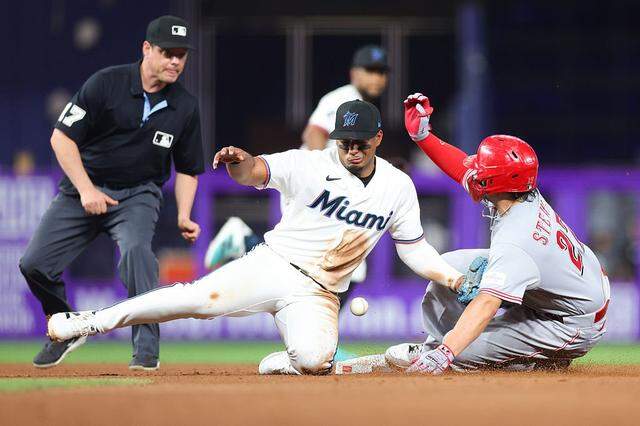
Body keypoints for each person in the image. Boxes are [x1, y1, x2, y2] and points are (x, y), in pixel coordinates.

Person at [46, 100, 479, 376]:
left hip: (320, 293)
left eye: (360, 143)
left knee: (313, 361)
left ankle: (283, 361)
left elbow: (413, 248)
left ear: (378, 140)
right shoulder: (310, 163)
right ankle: (90, 322)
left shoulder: (397, 186)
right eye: (344, 140)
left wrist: (452, 278)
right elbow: (256, 171)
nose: (351, 149)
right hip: (273, 264)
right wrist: (239, 161)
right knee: (194, 300)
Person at [19, 15, 204, 371]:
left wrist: (183, 214)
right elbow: (61, 138)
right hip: (82, 190)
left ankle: (146, 353)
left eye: (182, 55)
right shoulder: (107, 83)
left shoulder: (185, 106)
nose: (175, 62)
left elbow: (188, 168)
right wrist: (87, 189)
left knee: (137, 255)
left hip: (138, 194)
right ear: (147, 49)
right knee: (34, 264)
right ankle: (66, 325)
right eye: (168, 53)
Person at [383, 93, 610, 374]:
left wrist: (447, 352)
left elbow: (489, 302)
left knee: (461, 355)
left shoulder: (517, 239)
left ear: (498, 181)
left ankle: (527, 360)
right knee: (450, 266)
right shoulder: (519, 191)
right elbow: (460, 167)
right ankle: (442, 343)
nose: (475, 170)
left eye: (483, 169)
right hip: (565, 289)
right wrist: (423, 136)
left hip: (570, 323)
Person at [204, 45, 390, 278]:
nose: (377, 77)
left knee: (331, 271)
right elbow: (314, 133)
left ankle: (244, 240)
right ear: (354, 73)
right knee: (331, 271)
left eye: (381, 72)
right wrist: (321, 178)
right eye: (370, 70)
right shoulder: (345, 98)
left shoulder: (361, 105)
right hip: (314, 189)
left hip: (327, 193)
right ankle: (243, 241)